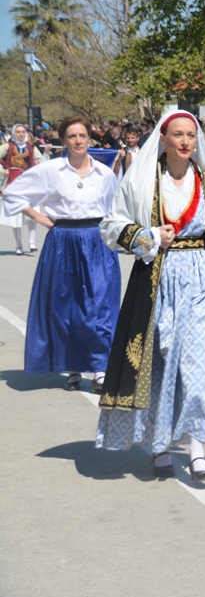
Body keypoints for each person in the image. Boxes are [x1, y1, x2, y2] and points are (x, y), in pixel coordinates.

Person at [95, 110, 205, 481]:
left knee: (200, 366)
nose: (185, 142)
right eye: (177, 135)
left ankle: (196, 449)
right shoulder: (143, 181)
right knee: (160, 364)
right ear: (163, 138)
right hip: (156, 278)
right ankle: (159, 444)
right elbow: (111, 226)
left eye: (191, 135)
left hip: (200, 279)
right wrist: (147, 236)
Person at [2, 116, 121, 392]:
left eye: (82, 136)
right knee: (67, 307)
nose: (78, 141)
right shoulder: (51, 170)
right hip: (63, 241)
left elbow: (116, 209)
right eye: (72, 136)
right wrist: (41, 218)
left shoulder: (104, 174)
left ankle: (101, 367)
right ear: (63, 140)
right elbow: (13, 194)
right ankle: (73, 367)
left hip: (97, 241)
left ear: (89, 139)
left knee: (99, 306)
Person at [0, 123, 45, 254]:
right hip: (13, 182)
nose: (21, 134)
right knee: (16, 215)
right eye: (18, 132)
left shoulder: (31, 147)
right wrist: (3, 171)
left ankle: (32, 242)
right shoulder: (8, 146)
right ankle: (19, 245)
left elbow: (40, 160)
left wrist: (37, 167)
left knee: (33, 212)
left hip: (29, 183)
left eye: (23, 132)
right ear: (14, 133)